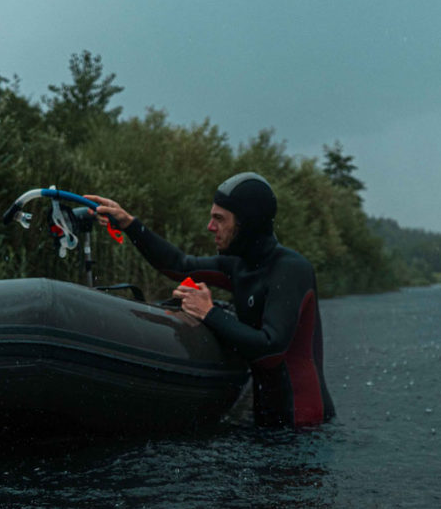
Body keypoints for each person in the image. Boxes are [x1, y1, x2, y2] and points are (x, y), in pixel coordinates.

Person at [86, 172, 334, 428]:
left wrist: (209, 312)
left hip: (304, 427)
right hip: (266, 422)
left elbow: (270, 350)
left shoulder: (291, 270)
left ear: (246, 223)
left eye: (219, 218)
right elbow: (178, 265)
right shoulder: (237, 265)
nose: (210, 226)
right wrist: (129, 224)